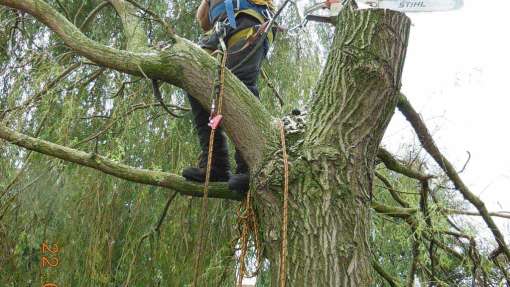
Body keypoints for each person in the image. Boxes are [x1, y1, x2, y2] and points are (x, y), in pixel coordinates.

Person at [182, 0, 274, 194]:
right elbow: (203, 21)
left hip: (249, 21)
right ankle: (214, 165)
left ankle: (249, 166)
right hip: (220, 30)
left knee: (240, 86)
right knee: (193, 79)